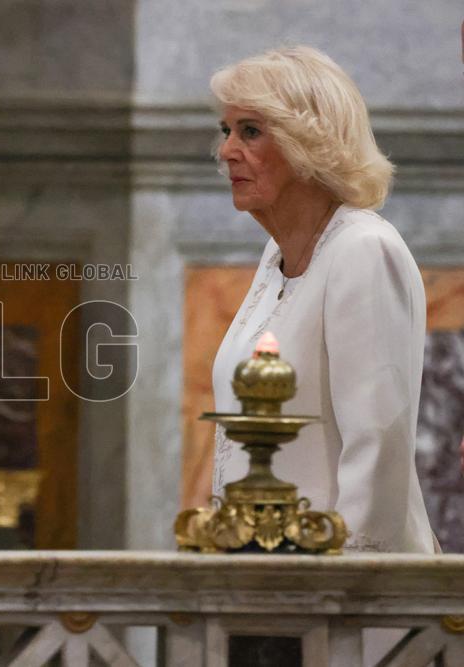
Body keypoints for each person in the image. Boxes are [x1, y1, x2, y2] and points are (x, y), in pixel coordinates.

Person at [209, 46, 435, 553]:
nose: (226, 151)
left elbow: (377, 452)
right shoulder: (275, 256)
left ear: (307, 142)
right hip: (262, 573)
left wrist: (335, 587)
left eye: (250, 131)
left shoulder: (363, 250)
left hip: (339, 598)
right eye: (227, 131)